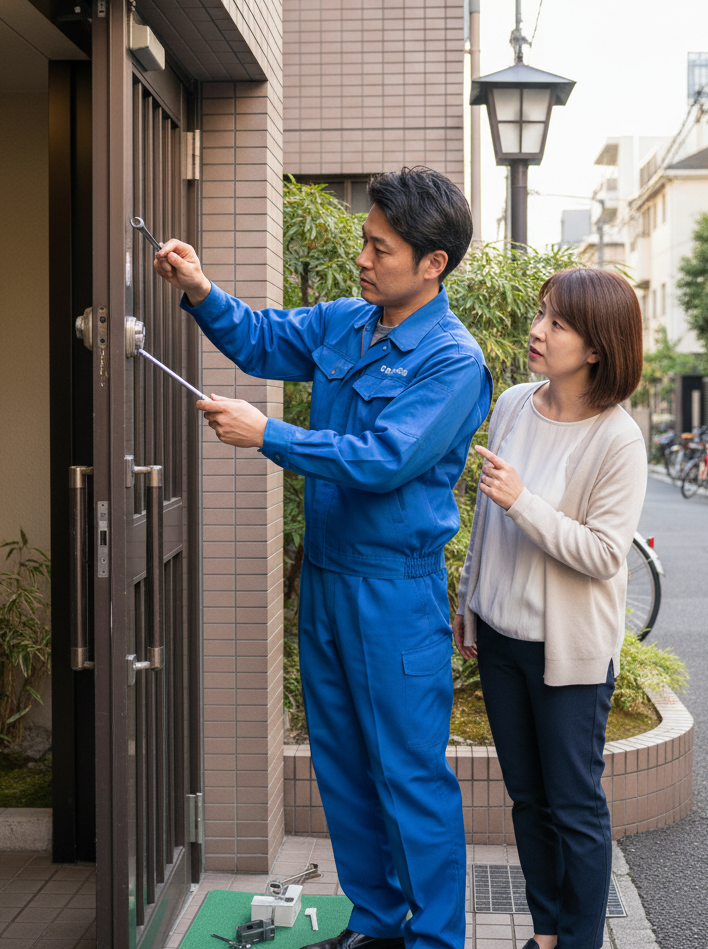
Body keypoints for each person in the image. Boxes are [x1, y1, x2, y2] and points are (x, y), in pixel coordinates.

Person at [152, 167, 492, 949]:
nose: (364, 259)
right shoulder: (348, 321)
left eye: (381, 247)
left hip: (393, 596)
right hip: (330, 583)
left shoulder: (451, 360)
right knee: (342, 772)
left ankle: (435, 942)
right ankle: (374, 926)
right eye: (365, 242)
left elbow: (384, 457)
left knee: (409, 781)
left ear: (433, 262)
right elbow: (266, 338)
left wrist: (266, 433)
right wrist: (202, 289)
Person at [452, 268, 646, 949]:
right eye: (541, 315)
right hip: (501, 642)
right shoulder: (512, 404)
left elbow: (601, 554)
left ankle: (581, 939)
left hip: (568, 656)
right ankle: (545, 933)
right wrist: (469, 598)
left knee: (575, 807)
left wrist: (523, 501)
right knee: (528, 802)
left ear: (596, 347)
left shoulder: (617, 438)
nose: (538, 331)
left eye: (558, 323)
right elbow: (485, 517)